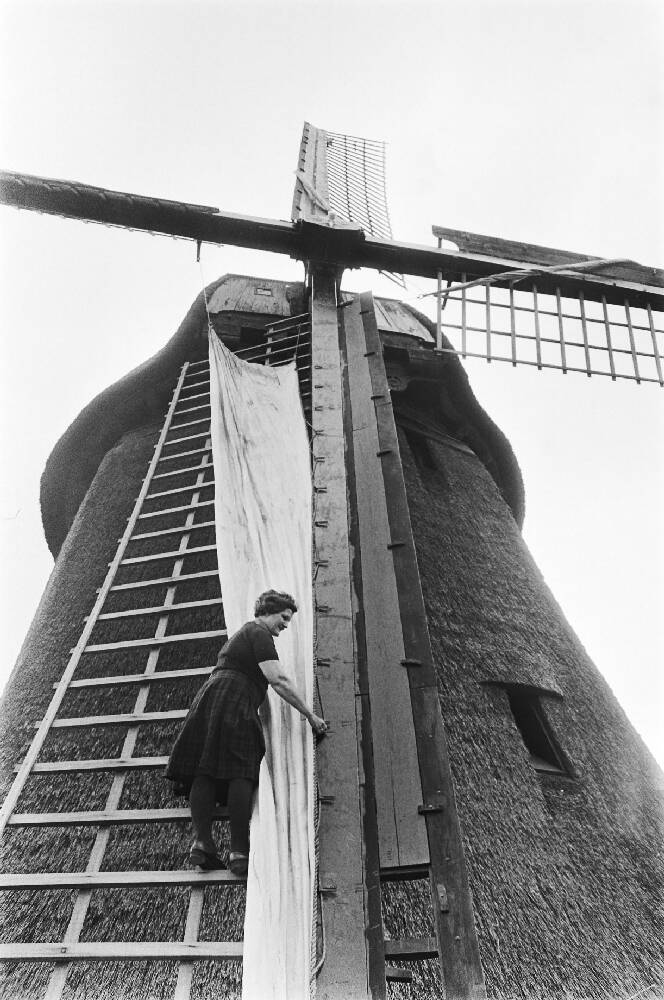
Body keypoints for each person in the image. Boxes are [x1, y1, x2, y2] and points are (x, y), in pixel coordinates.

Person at [165, 589, 327, 876]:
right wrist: (310, 715)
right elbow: (277, 679)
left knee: (204, 769)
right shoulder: (259, 633)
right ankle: (239, 850)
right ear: (268, 611)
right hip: (235, 697)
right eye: (284, 617)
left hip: (212, 696)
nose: (285, 625)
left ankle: (202, 842)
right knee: (241, 770)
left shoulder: (244, 634)